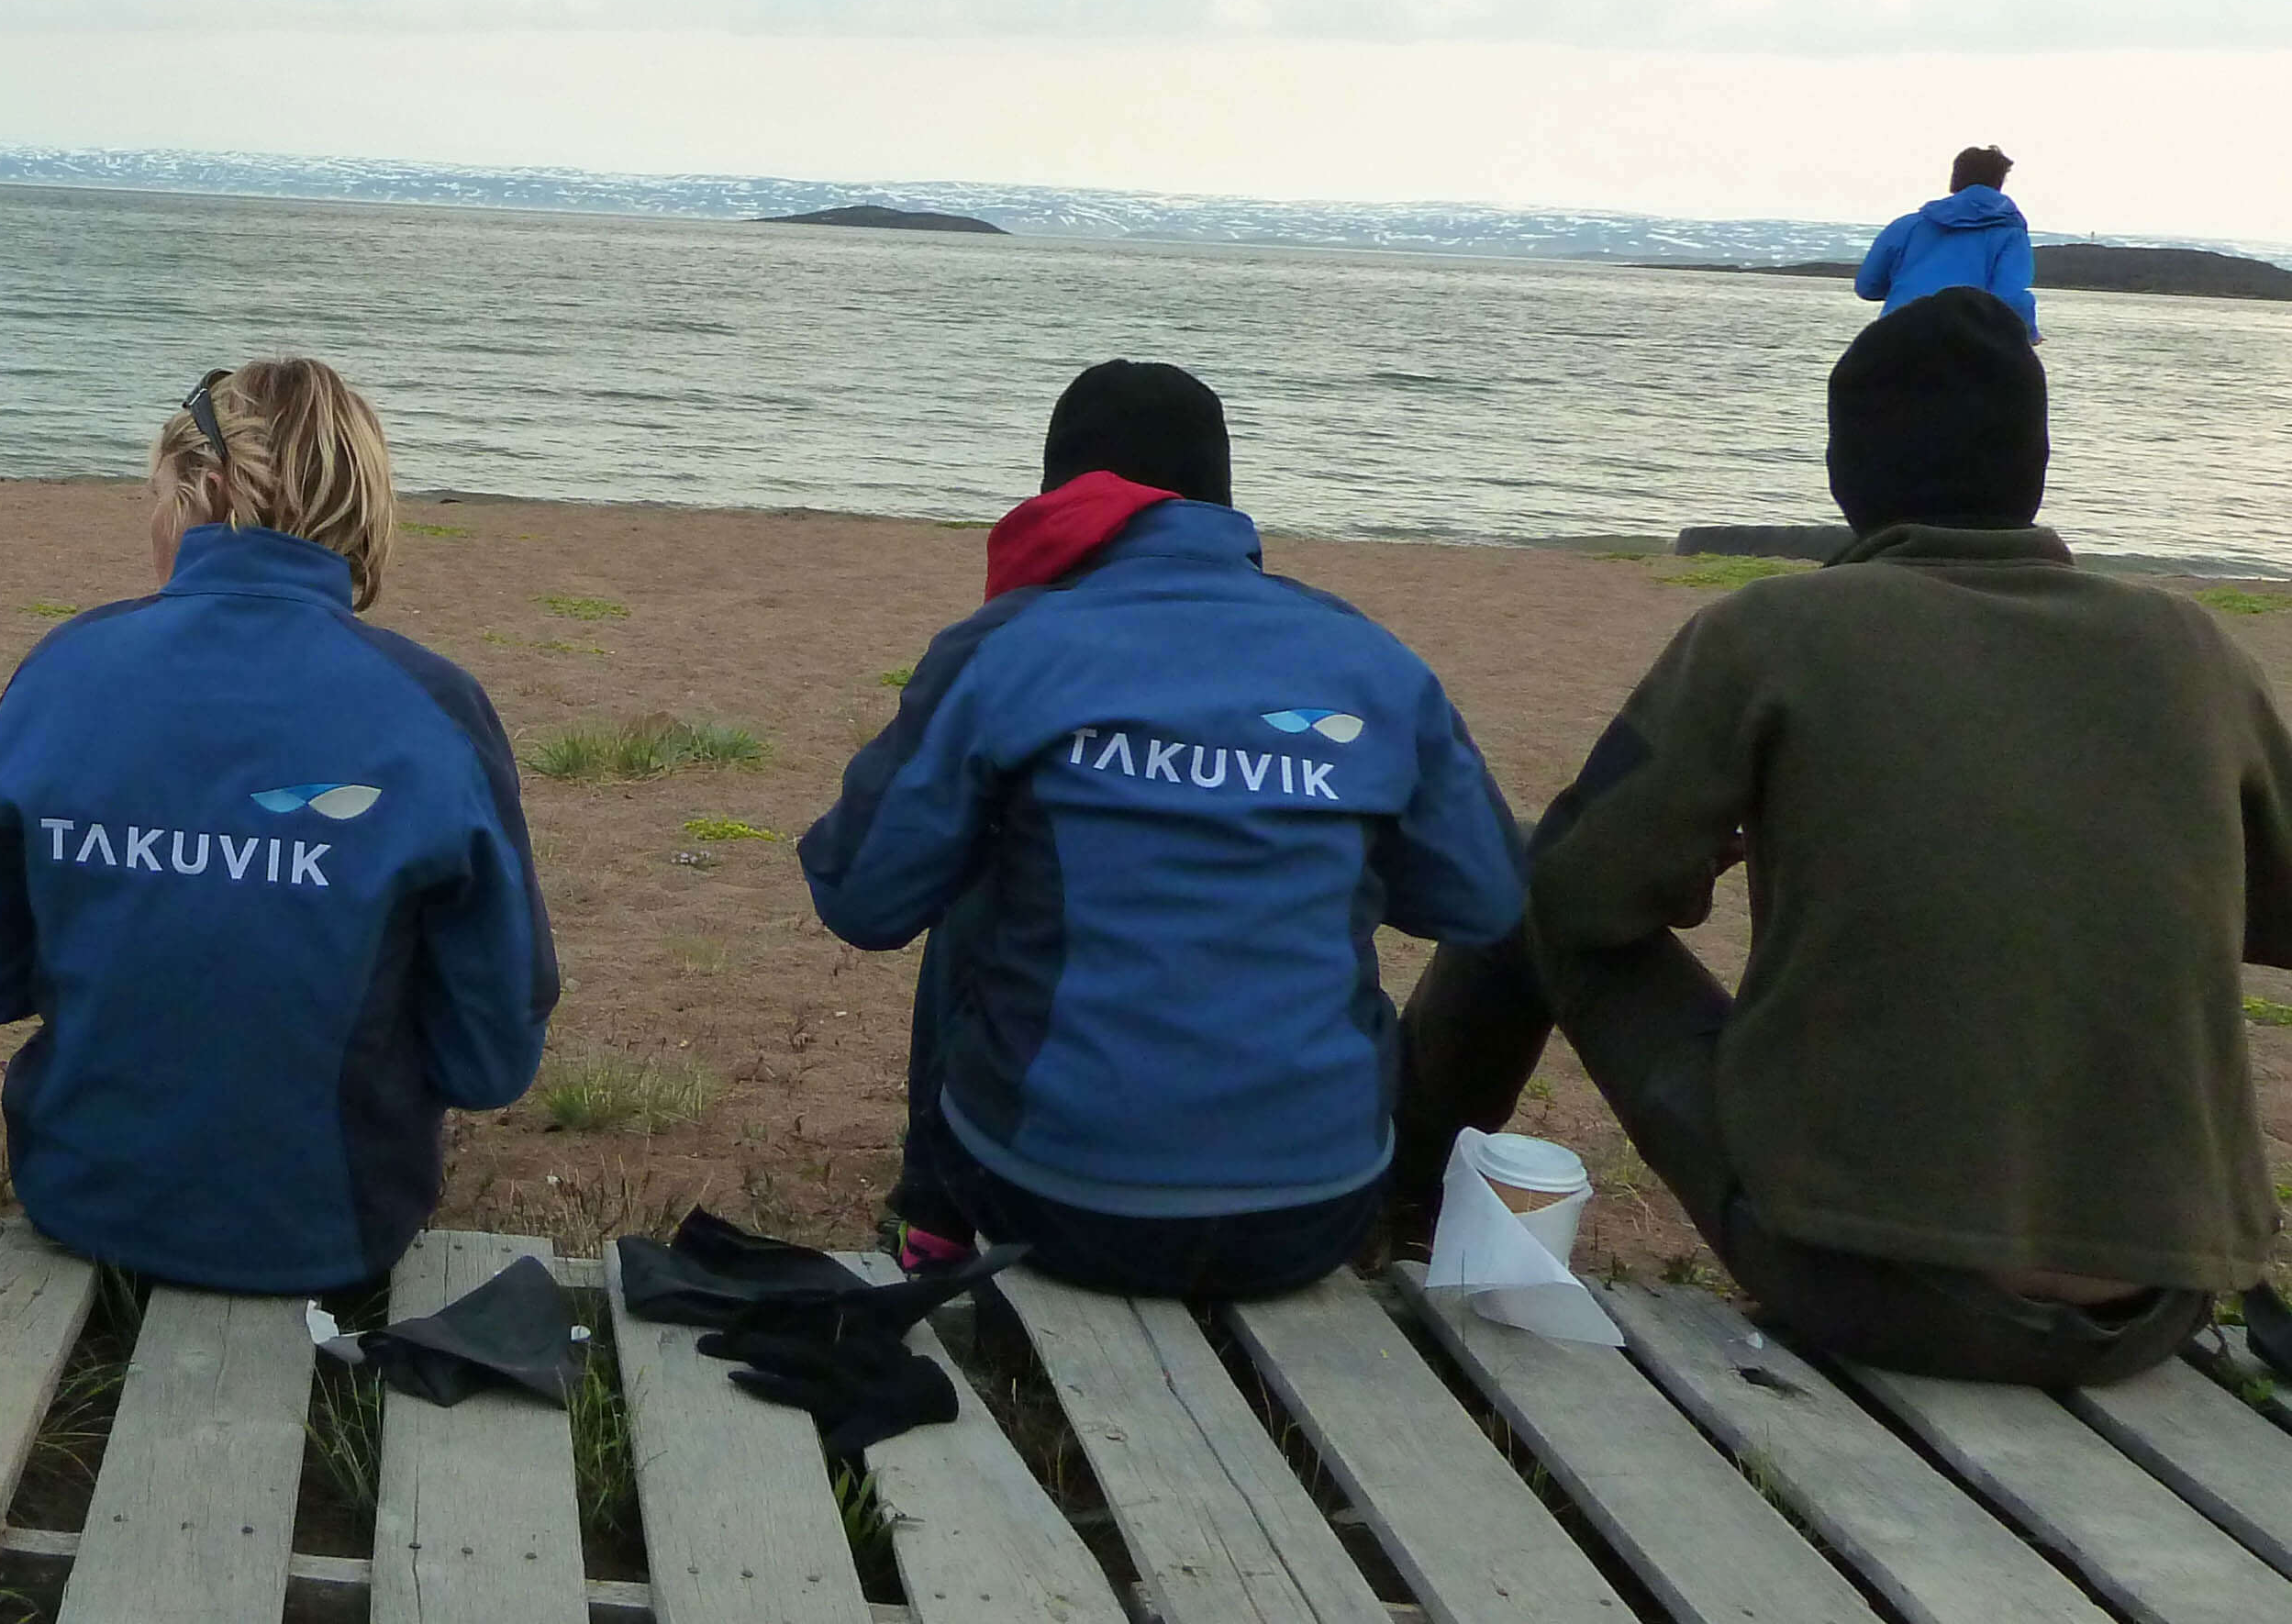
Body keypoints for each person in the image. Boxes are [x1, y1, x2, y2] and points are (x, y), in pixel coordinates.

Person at [1396, 289, 2290, 1385]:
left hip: (1867, 1283)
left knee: (1530, 868)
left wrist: (1699, 859)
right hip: (2154, 1303)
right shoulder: (2194, 649)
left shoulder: (1772, 631)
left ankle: (1387, 1215)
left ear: (1841, 473)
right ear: (2040, 460)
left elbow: (1583, 895)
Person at [798, 362, 1524, 1299]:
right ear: (1221, 496)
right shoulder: (1369, 658)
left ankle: (933, 1221)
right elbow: (1483, 896)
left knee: (994, 857)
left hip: (1053, 1207)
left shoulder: (1010, 643)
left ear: (1060, 494)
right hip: (1316, 1209)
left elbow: (862, 896)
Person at [0, 359, 556, 1294]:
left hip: (82, 1193)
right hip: (331, 1225)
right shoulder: (432, 706)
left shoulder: (65, 668)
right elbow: (492, 1051)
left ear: (200, 492)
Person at [1854, 145, 2037, 340]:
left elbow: (1867, 287)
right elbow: (2011, 298)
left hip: (1894, 337)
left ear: (1954, 180)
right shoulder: (2011, 234)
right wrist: (2030, 333)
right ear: (1999, 183)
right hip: (1965, 346)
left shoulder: (1906, 225)